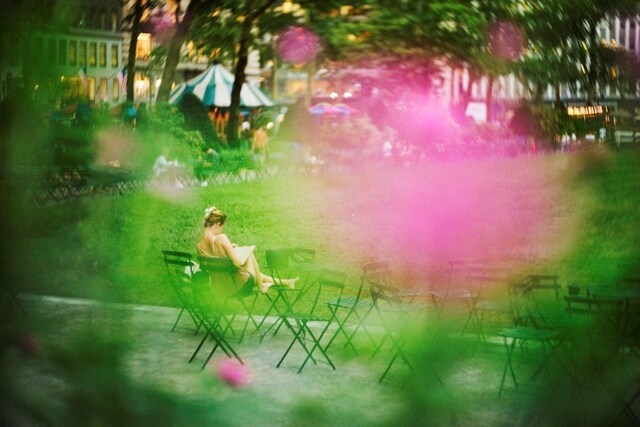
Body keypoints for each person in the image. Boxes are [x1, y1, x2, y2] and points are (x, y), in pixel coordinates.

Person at [197, 207, 298, 294]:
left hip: (219, 289)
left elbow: (217, 262)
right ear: (218, 224)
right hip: (237, 287)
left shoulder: (199, 246)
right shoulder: (221, 238)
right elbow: (237, 264)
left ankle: (287, 282)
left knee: (258, 275)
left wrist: (229, 248)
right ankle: (262, 286)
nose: (221, 231)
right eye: (221, 227)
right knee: (249, 253)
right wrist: (241, 251)